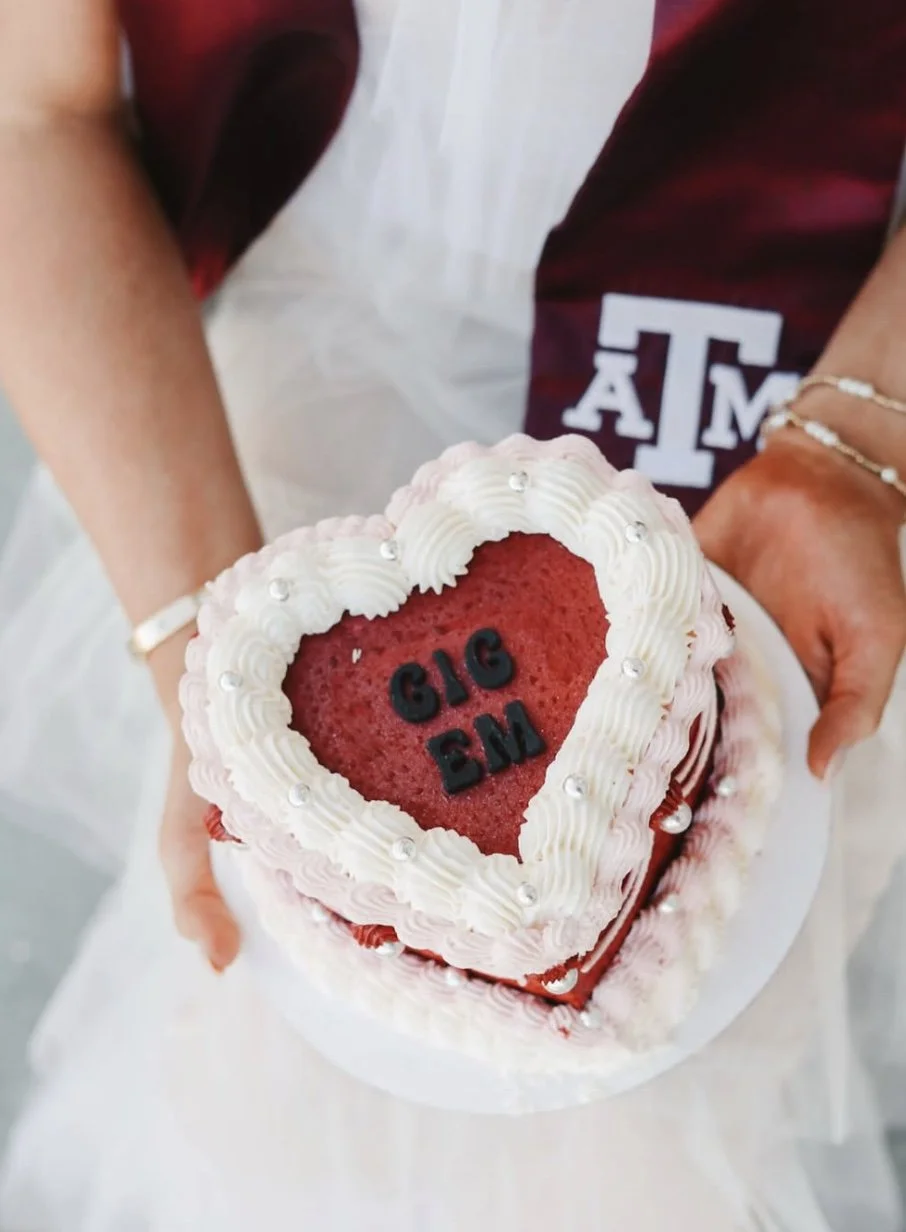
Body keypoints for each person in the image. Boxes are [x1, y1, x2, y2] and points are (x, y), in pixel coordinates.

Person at [0, 1, 905, 1228]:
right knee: (268, 1098)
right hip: (261, 455)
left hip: (788, 420)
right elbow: (35, 112)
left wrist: (857, 441)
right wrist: (209, 657)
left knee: (658, 1140)